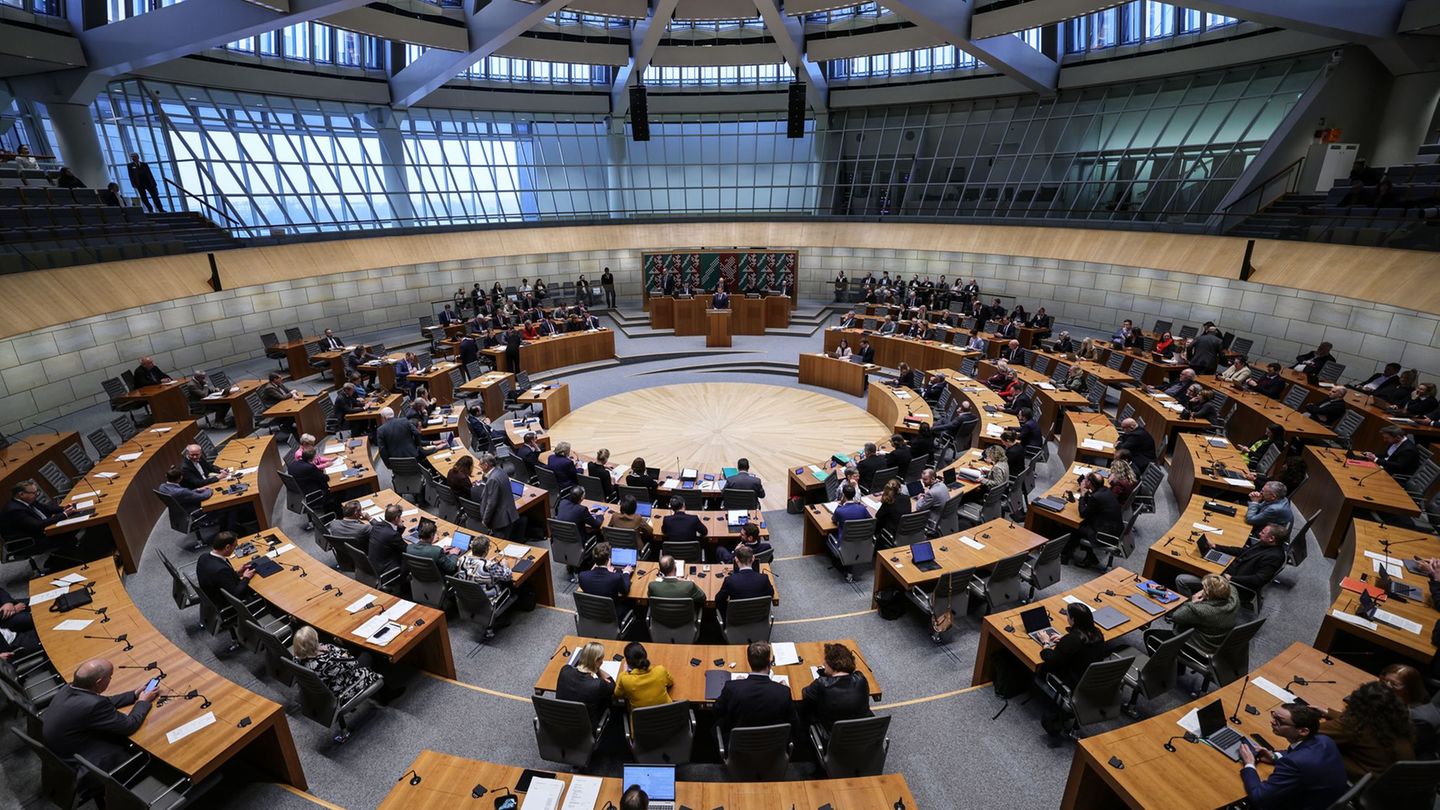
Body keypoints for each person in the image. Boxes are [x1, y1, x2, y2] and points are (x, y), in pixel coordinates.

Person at [42, 658, 159, 771]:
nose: (110, 679)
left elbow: (104, 702)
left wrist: (134, 694)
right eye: (110, 677)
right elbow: (129, 725)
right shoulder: (93, 705)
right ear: (99, 682)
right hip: (85, 760)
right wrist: (142, 702)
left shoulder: (68, 688)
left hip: (61, 750)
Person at [1238, 703, 1349, 810]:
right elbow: (1298, 753)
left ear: (1303, 731)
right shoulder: (1324, 740)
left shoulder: (1294, 763)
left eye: (1279, 721)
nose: (1272, 721)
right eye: (1274, 716)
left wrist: (1249, 764)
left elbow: (1259, 798)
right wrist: (1274, 756)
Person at [1038, 603, 1108, 744]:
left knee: (1041, 669)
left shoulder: (1072, 640)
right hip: (1090, 679)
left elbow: (1050, 659)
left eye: (1067, 615)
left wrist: (1045, 643)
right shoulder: (1097, 633)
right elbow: (1078, 648)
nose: (1066, 617)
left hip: (1073, 682)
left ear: (1074, 620)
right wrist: (1063, 639)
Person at [1320, 680, 1415, 779]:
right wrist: (1328, 713)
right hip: (1390, 784)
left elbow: (1311, 730)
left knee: (1318, 745)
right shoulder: (1396, 725)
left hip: (1359, 783)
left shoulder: (1356, 726)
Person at [1175, 523, 1289, 597]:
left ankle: (1190, 607)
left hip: (1233, 584)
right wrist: (1215, 546)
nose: (1259, 534)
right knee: (1199, 563)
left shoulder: (1274, 557)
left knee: (1181, 579)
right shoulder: (1265, 544)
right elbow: (1242, 552)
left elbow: (1258, 580)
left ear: (1271, 538)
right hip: (1228, 571)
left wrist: (1232, 578)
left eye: (1263, 533)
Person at [713, 640, 797, 738]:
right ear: (769, 664)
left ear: (749, 662)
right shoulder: (783, 692)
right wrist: (783, 688)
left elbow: (717, 711)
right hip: (772, 746)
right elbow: (794, 724)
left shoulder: (732, 688)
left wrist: (738, 684)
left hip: (739, 746)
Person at [1142, 573, 1239, 656]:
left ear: (1208, 594)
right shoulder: (1234, 598)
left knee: (1150, 636)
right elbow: (1230, 585)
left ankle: (1172, 669)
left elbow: (1176, 616)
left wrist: (1192, 601)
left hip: (1200, 648)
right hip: (1218, 642)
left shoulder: (1201, 610)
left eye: (1203, 588)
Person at [291, 625, 384, 708]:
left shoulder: (297, 658)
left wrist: (332, 652)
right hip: (342, 691)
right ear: (314, 644)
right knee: (367, 654)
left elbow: (337, 653)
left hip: (322, 689)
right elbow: (353, 662)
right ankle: (385, 695)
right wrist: (338, 654)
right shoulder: (327, 662)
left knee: (353, 649)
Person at [801, 642, 872, 735]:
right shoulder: (861, 679)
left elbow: (805, 694)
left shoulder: (822, 684)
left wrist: (823, 676)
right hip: (861, 734)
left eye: (825, 661)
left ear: (832, 665)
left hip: (834, 737)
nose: (823, 663)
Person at [158, 463, 233, 536]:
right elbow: (204, 496)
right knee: (229, 507)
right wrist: (210, 489)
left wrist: (198, 489)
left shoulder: (162, 487)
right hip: (196, 511)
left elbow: (185, 494)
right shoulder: (182, 492)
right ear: (181, 478)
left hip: (183, 510)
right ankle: (228, 532)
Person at [2, 480, 77, 547]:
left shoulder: (28, 500)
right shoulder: (15, 510)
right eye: (34, 493)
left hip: (40, 532)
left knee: (73, 522)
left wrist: (64, 508)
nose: (37, 495)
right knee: (68, 530)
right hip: (30, 541)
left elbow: (47, 508)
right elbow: (37, 525)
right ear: (21, 494)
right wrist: (64, 515)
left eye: (37, 492)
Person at [1070, 472, 1121, 566]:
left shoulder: (1096, 497)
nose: (1083, 481)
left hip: (1104, 535)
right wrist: (1086, 494)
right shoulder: (1105, 490)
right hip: (1114, 529)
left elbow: (1083, 514)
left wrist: (1082, 494)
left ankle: (1085, 556)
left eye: (1085, 479)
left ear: (1089, 483)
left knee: (1075, 527)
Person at [195, 530, 256, 608]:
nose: (235, 548)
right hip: (228, 605)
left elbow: (221, 580)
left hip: (213, 596)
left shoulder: (203, 557)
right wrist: (246, 578)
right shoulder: (221, 570)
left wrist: (237, 573)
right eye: (235, 546)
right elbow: (236, 594)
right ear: (227, 547)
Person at [614, 641, 673, 716]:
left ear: (628, 662)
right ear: (645, 656)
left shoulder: (625, 679)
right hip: (669, 719)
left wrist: (624, 672)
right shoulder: (660, 670)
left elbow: (617, 694)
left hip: (641, 724)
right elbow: (670, 682)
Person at [715, 544, 773, 617]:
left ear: (736, 560)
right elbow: (771, 595)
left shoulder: (730, 581)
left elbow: (718, 600)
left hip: (736, 621)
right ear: (753, 558)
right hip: (758, 619)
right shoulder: (764, 578)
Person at [475, 452, 521, 539]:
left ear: (486, 465)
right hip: (509, 513)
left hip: (501, 519)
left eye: (480, 464)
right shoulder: (501, 471)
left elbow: (491, 503)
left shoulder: (492, 479)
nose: (479, 466)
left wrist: (485, 520)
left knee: (501, 543)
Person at [367, 504, 408, 579]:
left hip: (373, 566)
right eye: (399, 517)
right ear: (396, 518)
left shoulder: (377, 526)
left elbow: (391, 537)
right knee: (410, 558)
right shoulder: (392, 535)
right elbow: (406, 548)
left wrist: (399, 527)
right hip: (387, 572)